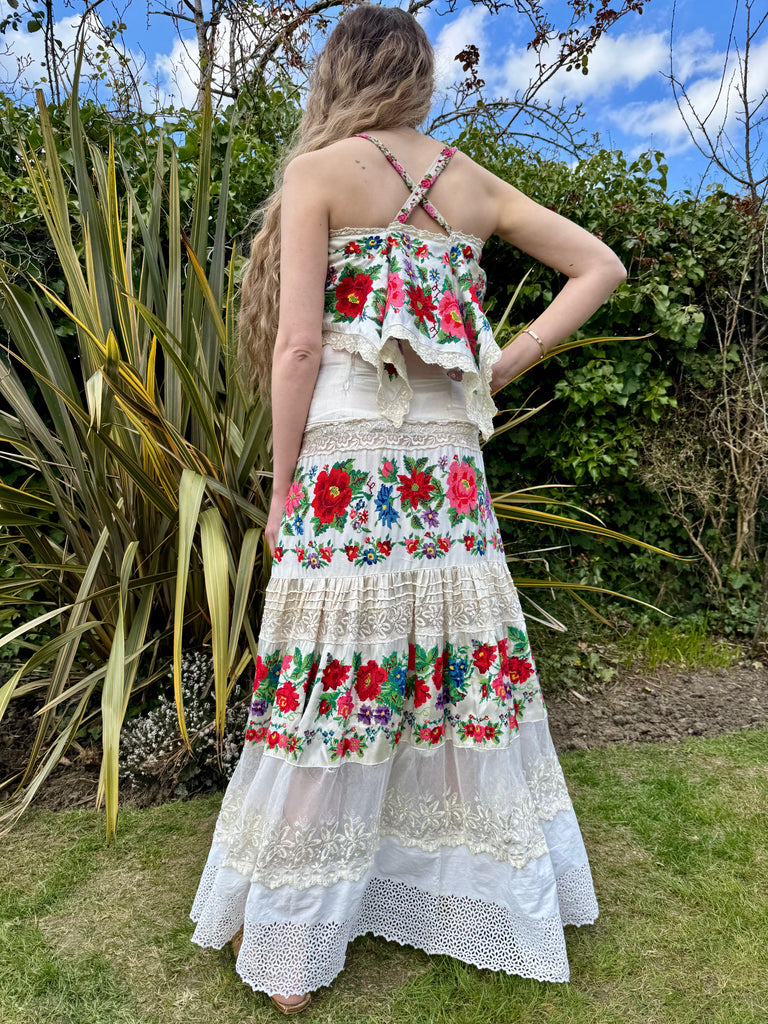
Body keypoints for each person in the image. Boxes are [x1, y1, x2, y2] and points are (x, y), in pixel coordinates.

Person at [189, 3, 626, 1015]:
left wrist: (282, 486)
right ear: (419, 79)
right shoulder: (471, 181)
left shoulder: (319, 172)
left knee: (334, 674)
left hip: (348, 459)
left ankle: (293, 939)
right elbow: (599, 265)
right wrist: (500, 362)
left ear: (339, 74)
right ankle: (469, 892)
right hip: (446, 467)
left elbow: (300, 345)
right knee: (452, 667)